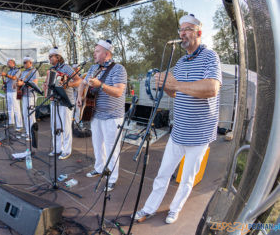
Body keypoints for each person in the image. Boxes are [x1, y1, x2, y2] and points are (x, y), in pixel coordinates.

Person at [133, 14, 222, 224]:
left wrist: (177, 85)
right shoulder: (181, 62)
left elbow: (212, 88)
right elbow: (176, 93)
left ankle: (175, 208)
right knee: (163, 174)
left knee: (186, 179)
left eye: (188, 29)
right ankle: (149, 207)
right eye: (181, 30)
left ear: (199, 32)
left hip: (199, 132)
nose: (183, 33)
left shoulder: (211, 57)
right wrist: (166, 86)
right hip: (178, 130)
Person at [77, 39, 127, 192]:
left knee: (112, 149)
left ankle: (112, 177)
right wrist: (80, 96)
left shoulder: (118, 69)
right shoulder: (93, 68)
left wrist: (101, 85)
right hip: (95, 113)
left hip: (112, 116)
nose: (94, 53)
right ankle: (99, 168)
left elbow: (118, 92)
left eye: (97, 51)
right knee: (97, 145)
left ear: (107, 54)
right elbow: (83, 83)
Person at [47, 47, 82, 160]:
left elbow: (79, 81)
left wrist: (68, 84)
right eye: (49, 56)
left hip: (66, 101)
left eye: (51, 56)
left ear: (58, 57)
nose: (49, 58)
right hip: (55, 101)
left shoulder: (66, 68)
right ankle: (57, 149)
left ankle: (66, 150)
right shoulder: (51, 70)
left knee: (66, 128)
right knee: (55, 127)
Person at [17, 57, 38, 141]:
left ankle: (32, 134)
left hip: (31, 95)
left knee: (31, 115)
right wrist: (18, 84)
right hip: (24, 95)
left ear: (30, 62)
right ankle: (27, 132)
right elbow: (20, 82)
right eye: (23, 62)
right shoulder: (23, 72)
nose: (24, 64)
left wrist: (23, 83)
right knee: (25, 114)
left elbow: (35, 83)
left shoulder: (34, 71)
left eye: (26, 62)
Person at [1, 58, 23, 132]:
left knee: (16, 108)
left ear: (13, 63)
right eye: (7, 63)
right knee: (10, 108)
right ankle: (11, 122)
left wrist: (6, 75)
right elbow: (7, 81)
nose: (7, 64)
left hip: (15, 91)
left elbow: (14, 78)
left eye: (9, 63)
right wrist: (4, 86)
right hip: (9, 91)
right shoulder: (9, 71)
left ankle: (19, 125)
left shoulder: (18, 70)